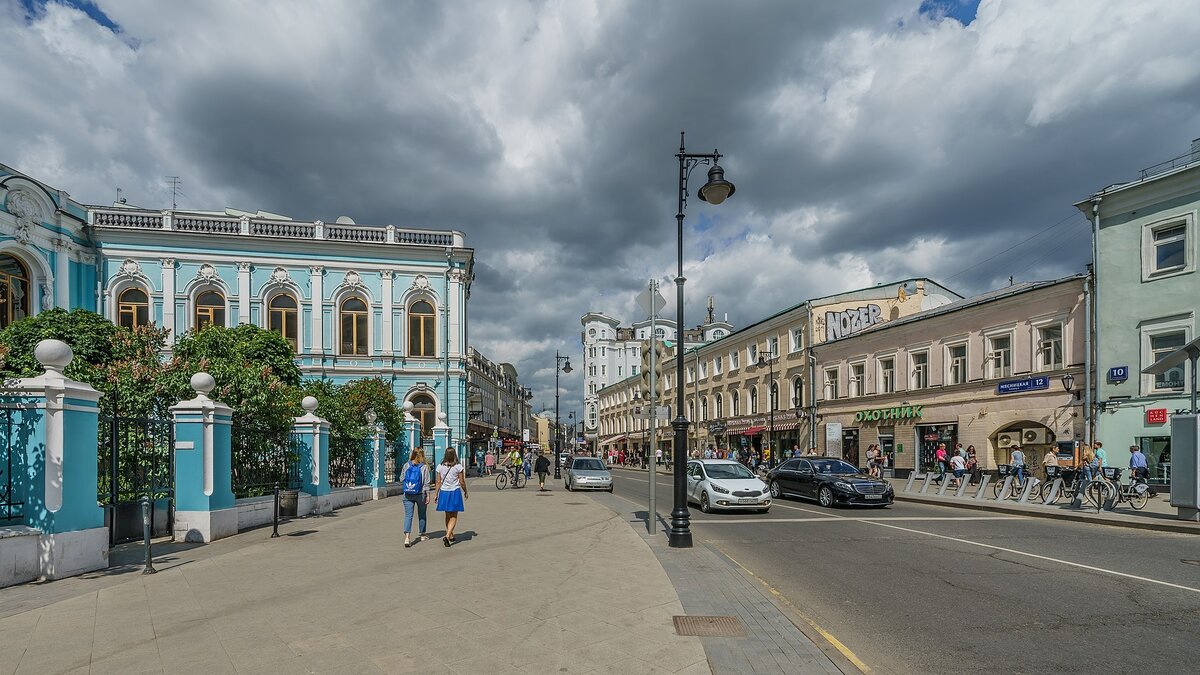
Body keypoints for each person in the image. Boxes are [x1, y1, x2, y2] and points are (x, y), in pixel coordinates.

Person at [435, 448, 468, 547]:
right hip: (455, 492)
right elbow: (462, 482)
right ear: (455, 455)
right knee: (454, 516)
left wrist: (436, 494)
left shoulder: (440, 466)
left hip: (444, 492)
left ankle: (451, 534)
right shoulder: (458, 466)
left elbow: (438, 482)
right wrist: (465, 491)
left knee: (447, 515)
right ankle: (448, 535)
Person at [401, 449, 431, 548]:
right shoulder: (424, 467)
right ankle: (422, 534)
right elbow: (426, 483)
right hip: (421, 494)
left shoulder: (406, 465)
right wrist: (428, 496)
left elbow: (401, 478)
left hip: (407, 494)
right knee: (422, 514)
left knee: (408, 516)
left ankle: (407, 538)